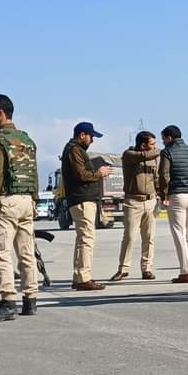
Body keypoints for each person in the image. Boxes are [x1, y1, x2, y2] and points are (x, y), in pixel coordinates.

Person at [0, 93, 40, 323]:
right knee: (26, 252)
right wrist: (33, 198)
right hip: (27, 201)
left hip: (7, 201)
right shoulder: (27, 139)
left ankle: (7, 301)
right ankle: (30, 299)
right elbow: (33, 171)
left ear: (0, 112)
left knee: (0, 251)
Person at [61, 121, 111, 291]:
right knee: (87, 239)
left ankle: (79, 277)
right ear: (82, 135)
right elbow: (81, 174)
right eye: (91, 137)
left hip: (82, 199)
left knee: (82, 239)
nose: (92, 141)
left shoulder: (76, 149)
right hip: (82, 200)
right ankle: (84, 278)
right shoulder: (74, 150)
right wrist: (99, 173)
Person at [112, 131, 160, 281]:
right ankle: (123, 268)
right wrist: (163, 150)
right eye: (152, 144)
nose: (155, 147)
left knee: (149, 237)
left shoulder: (153, 158)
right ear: (143, 144)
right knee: (130, 236)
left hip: (150, 201)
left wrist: (160, 194)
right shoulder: (129, 155)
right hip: (133, 202)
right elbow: (144, 156)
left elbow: (156, 177)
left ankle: (147, 268)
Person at [157, 125, 188, 283]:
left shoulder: (167, 152)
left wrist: (164, 195)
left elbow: (164, 175)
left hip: (177, 195)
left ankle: (185, 271)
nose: (163, 142)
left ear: (169, 137)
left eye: (163, 139)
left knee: (179, 233)